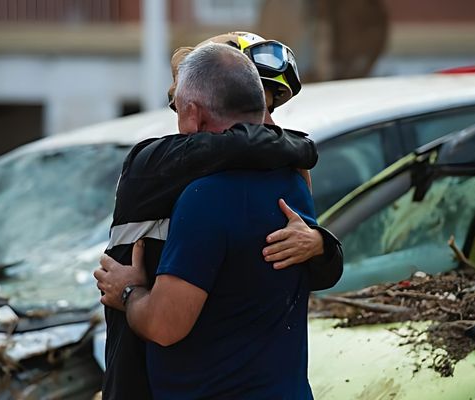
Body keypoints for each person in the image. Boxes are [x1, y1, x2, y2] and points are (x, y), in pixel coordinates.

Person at [95, 33, 343, 399]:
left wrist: (320, 244)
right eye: (262, 107)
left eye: (273, 108)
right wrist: (301, 147)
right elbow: (246, 143)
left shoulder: (260, 180)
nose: (270, 125)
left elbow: (168, 323)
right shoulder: (157, 165)